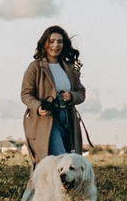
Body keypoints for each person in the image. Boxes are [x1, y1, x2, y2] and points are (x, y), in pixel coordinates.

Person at [19, 26, 90, 160]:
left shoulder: (69, 68)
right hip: (47, 120)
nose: (56, 45)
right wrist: (38, 107)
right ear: (45, 43)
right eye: (51, 41)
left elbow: (81, 92)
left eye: (60, 42)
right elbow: (25, 94)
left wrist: (71, 96)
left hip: (68, 119)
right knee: (61, 160)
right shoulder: (35, 67)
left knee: (71, 164)